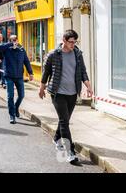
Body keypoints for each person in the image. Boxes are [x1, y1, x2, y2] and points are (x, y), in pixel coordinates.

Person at [39, 30, 93, 165]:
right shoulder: (54, 54)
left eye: (75, 42)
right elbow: (46, 73)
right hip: (58, 93)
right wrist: (41, 88)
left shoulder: (77, 54)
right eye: (71, 42)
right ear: (64, 40)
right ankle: (70, 152)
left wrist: (89, 86)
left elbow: (83, 72)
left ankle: (57, 137)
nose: (73, 44)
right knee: (64, 120)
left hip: (73, 93)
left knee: (65, 119)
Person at [0, 35, 34, 124]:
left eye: (16, 40)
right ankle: (12, 115)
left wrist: (30, 73)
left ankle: (15, 108)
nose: (15, 42)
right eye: (13, 40)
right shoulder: (6, 49)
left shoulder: (21, 50)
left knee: (21, 95)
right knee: (10, 96)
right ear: (10, 41)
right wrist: (10, 44)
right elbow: (0, 47)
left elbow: (26, 61)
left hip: (19, 76)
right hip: (9, 76)